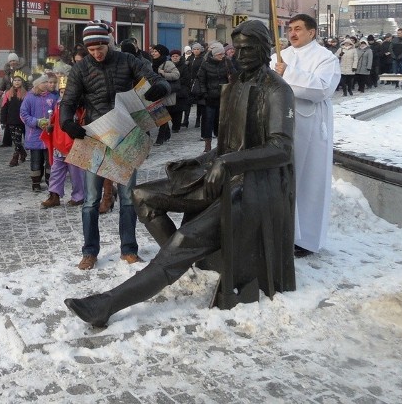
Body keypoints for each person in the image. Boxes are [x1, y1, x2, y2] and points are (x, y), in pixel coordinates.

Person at [65, 19, 296, 327]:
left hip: (253, 186)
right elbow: (229, 145)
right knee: (141, 195)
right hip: (214, 171)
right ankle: (182, 258)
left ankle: (107, 304)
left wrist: (226, 162)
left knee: (183, 236)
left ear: (265, 49)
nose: (240, 56)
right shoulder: (237, 85)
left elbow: (281, 149)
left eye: (248, 50)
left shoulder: (277, 90)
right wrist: (198, 160)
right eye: (236, 50)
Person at [58, 20, 169, 271]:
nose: (97, 53)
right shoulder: (80, 69)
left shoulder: (126, 60)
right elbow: (68, 101)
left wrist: (160, 86)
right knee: (91, 199)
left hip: (125, 134)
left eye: (101, 47)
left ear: (108, 43)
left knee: (128, 196)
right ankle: (89, 251)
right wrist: (66, 121)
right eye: (92, 49)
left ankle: (129, 249)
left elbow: (150, 76)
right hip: (95, 136)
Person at [271, 13, 340, 256]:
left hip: (310, 125)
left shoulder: (325, 58)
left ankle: (306, 239)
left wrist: (287, 74)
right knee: (282, 179)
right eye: (290, 28)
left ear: (312, 32)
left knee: (308, 181)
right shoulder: (280, 55)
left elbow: (322, 88)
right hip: (280, 125)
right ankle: (281, 232)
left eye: (298, 28)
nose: (292, 33)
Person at [39, 74, 86, 208]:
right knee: (56, 171)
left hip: (73, 143)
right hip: (59, 142)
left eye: (66, 91)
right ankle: (54, 195)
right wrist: (51, 126)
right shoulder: (58, 104)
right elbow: (55, 120)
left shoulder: (77, 105)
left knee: (76, 172)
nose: (64, 94)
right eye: (61, 91)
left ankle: (79, 196)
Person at [19, 74, 58, 191]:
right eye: (44, 82)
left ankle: (50, 180)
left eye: (48, 82)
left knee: (50, 159)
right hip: (34, 134)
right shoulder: (29, 98)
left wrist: (51, 122)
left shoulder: (52, 97)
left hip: (49, 134)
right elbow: (23, 114)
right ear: (37, 84)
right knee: (36, 160)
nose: (47, 84)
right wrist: (37, 122)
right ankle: (35, 182)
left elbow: (57, 113)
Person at [195, 42, 234, 152]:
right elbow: (201, 80)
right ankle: (208, 144)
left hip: (224, 97)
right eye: (219, 54)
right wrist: (205, 94)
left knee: (222, 122)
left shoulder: (227, 62)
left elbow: (235, 75)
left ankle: (222, 144)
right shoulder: (205, 64)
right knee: (208, 121)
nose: (222, 56)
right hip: (209, 98)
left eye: (223, 54)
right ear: (214, 54)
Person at [148, 44, 178, 146]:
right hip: (156, 92)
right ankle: (167, 135)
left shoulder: (168, 63)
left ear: (160, 52)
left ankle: (160, 139)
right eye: (153, 51)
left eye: (156, 51)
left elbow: (176, 75)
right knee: (160, 115)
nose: (153, 53)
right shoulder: (152, 64)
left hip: (166, 92)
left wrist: (163, 74)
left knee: (162, 116)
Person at [0, 70, 28, 166]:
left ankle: (16, 157)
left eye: (19, 80)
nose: (17, 82)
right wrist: (3, 120)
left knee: (19, 140)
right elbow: (4, 108)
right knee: (16, 140)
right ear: (12, 81)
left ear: (22, 82)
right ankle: (21, 154)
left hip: (22, 121)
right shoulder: (8, 93)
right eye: (15, 80)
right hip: (11, 120)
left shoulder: (26, 94)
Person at [185, 42, 205, 128]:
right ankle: (186, 119)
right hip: (189, 82)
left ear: (200, 50)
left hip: (198, 82)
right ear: (192, 50)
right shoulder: (190, 58)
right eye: (194, 49)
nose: (196, 51)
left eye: (198, 49)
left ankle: (198, 120)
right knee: (188, 102)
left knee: (199, 102)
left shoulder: (202, 59)